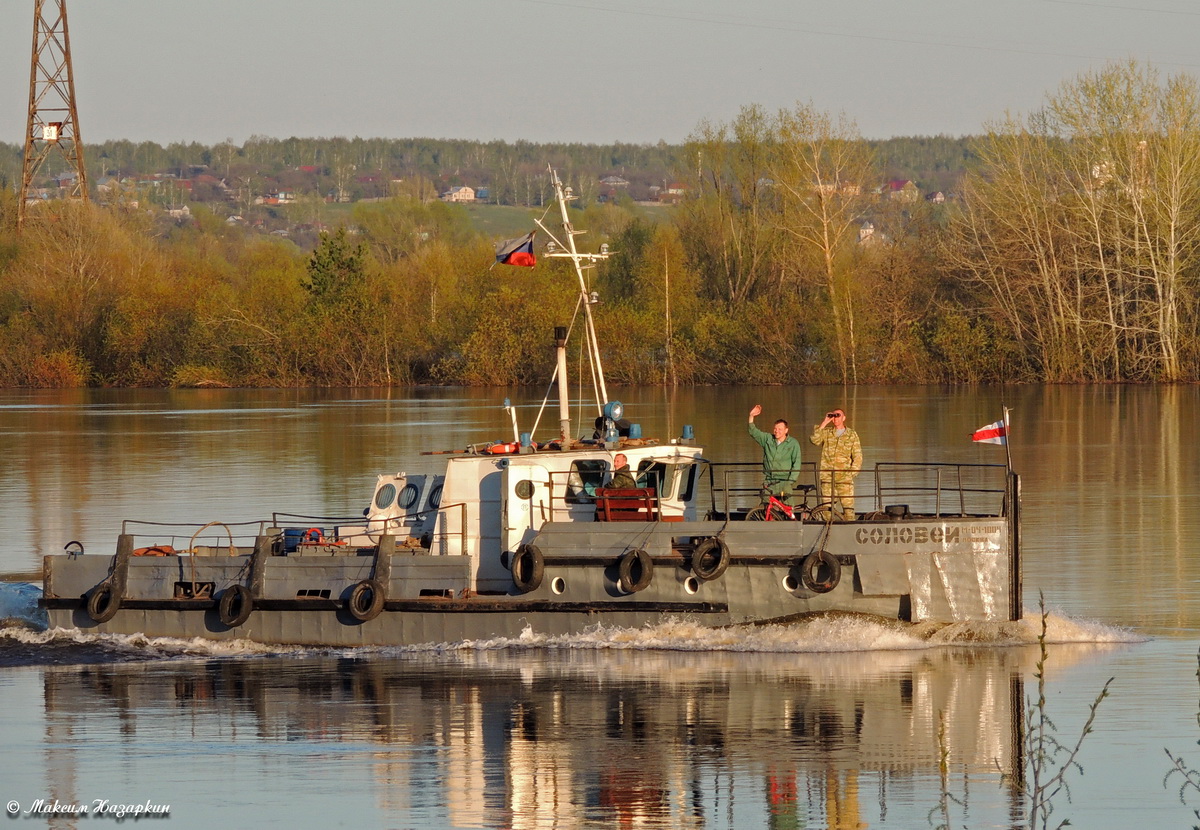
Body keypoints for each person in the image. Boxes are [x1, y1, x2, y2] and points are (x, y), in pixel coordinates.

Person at [809, 408, 862, 521]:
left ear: (844, 418)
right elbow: (814, 440)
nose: (836, 418)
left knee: (848, 510)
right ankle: (829, 533)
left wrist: (852, 473)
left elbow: (857, 456)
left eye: (838, 415)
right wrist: (824, 422)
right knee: (827, 510)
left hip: (844, 478)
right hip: (828, 478)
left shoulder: (851, 434)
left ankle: (849, 532)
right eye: (834, 416)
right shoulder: (827, 433)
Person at [747, 404, 802, 503]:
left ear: (786, 430)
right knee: (765, 505)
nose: (777, 431)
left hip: (785, 480)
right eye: (775, 429)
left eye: (780, 429)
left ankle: (791, 518)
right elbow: (753, 432)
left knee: (788, 508)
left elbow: (796, 464)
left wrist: (790, 482)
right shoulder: (768, 439)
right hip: (770, 480)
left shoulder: (793, 443)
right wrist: (751, 416)